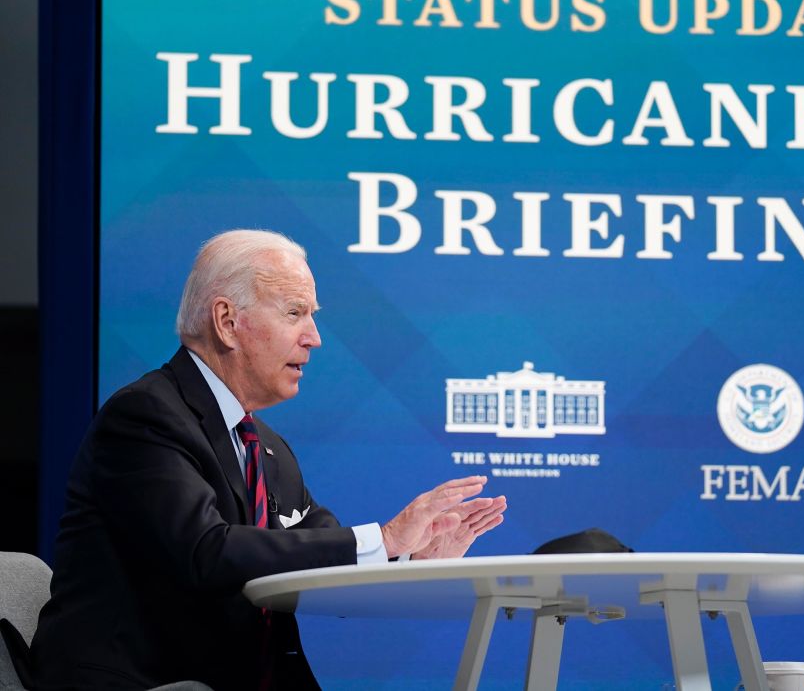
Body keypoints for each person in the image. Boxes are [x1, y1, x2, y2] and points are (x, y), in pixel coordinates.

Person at [30, 229, 507, 690]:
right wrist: (382, 538)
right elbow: (206, 553)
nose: (314, 337)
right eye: (295, 312)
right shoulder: (145, 418)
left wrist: (408, 555)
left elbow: (321, 553)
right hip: (148, 680)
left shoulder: (268, 446)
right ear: (227, 322)